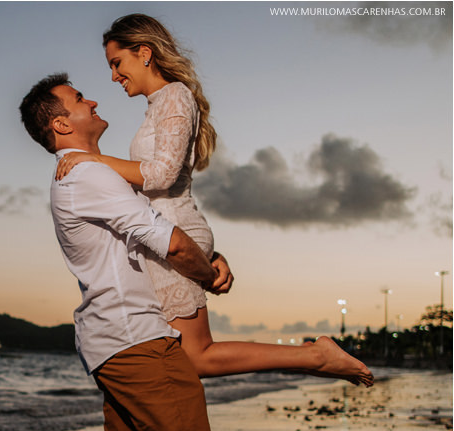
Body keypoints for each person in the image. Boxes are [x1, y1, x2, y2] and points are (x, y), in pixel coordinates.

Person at [20, 72, 272, 431]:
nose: (93, 99)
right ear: (62, 123)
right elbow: (173, 245)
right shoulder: (89, 176)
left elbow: (167, 230)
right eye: (80, 99)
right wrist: (212, 277)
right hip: (139, 341)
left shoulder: (87, 176)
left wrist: (212, 255)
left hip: (110, 342)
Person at [55, 13, 373, 387]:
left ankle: (315, 356)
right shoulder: (160, 103)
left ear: (144, 53)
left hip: (173, 233)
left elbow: (162, 175)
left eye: (116, 63)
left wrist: (93, 159)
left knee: (196, 356)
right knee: (183, 357)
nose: (113, 76)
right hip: (166, 232)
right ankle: (311, 357)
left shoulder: (175, 95)